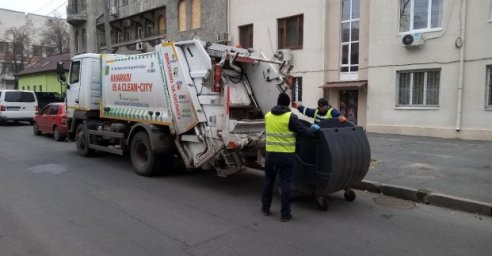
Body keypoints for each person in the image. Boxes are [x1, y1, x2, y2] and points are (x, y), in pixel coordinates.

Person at [262, 93, 320, 222]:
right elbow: (304, 132)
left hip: (270, 155)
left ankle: (265, 208)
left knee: (269, 181)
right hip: (285, 156)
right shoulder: (290, 117)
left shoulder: (267, 116)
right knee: (285, 184)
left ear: (277, 102)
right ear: (288, 104)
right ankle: (285, 214)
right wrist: (313, 129)